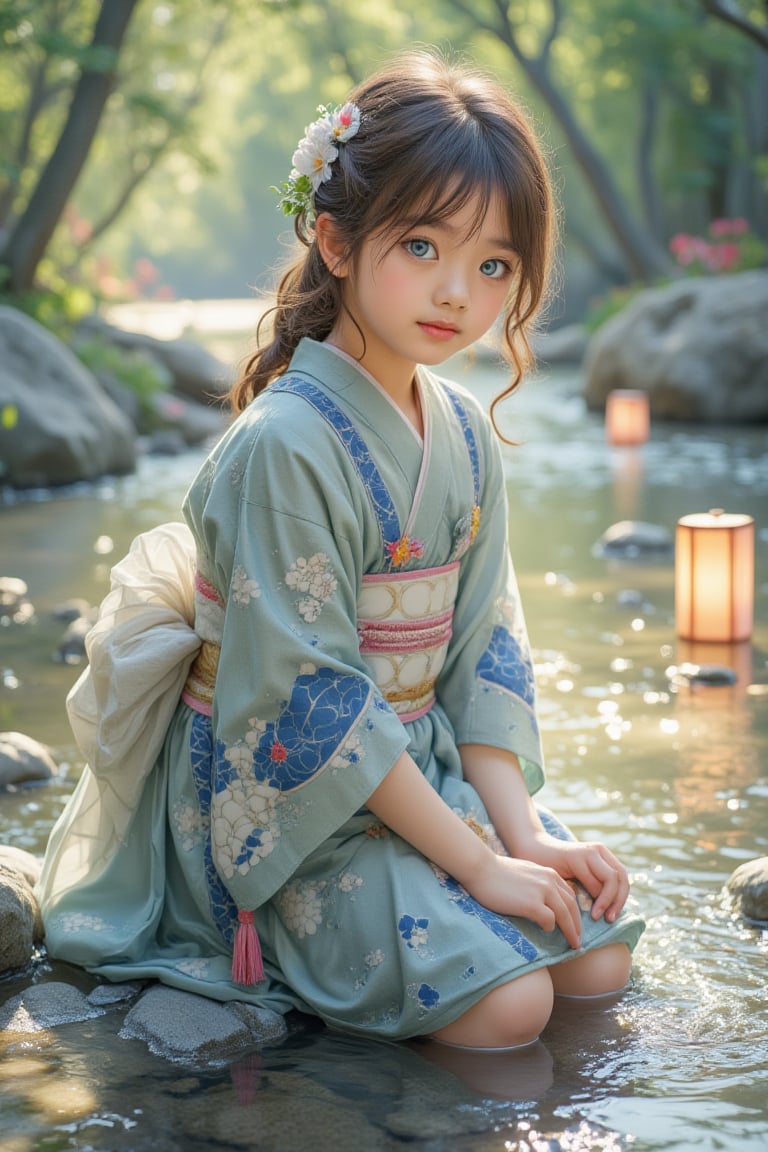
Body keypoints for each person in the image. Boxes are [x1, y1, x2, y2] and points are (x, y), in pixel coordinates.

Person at [38, 49, 644, 1051]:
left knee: (597, 954)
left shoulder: (457, 427)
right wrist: (481, 866)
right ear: (334, 238)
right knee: (512, 1007)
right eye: (421, 246)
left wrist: (525, 835)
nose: (458, 292)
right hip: (291, 808)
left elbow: (482, 650)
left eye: (494, 265)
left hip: (420, 774)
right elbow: (309, 701)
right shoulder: (282, 446)